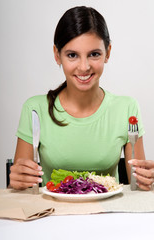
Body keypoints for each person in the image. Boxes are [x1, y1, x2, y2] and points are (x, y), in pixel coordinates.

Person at [10, 6, 154, 191]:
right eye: (72, 55)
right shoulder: (35, 109)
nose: (84, 67)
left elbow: (140, 187)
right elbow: (21, 190)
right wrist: (17, 180)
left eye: (94, 54)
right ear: (57, 55)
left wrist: (147, 179)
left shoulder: (127, 108)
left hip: (107, 214)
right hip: (51, 214)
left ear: (107, 53)